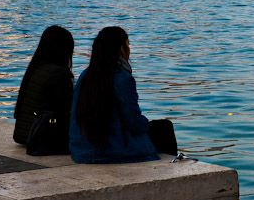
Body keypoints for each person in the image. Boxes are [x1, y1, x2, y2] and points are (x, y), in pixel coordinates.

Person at [69, 26, 177, 163]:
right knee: (164, 128)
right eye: (128, 45)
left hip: (82, 151)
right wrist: (146, 123)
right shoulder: (122, 78)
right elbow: (134, 122)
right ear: (121, 49)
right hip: (112, 152)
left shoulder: (85, 75)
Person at [13, 25, 75, 154]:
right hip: (42, 136)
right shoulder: (59, 74)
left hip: (24, 133)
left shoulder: (35, 69)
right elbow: (66, 110)